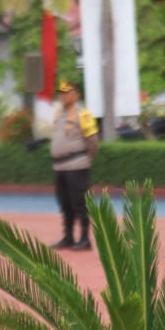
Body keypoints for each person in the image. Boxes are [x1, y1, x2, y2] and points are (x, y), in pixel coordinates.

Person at [49, 79, 99, 250]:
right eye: (61, 93)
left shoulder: (82, 114)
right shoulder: (59, 114)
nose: (63, 96)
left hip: (77, 164)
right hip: (60, 166)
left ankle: (85, 238)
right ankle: (68, 236)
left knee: (80, 202)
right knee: (64, 202)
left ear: (76, 95)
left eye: (67, 92)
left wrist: (85, 159)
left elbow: (92, 141)